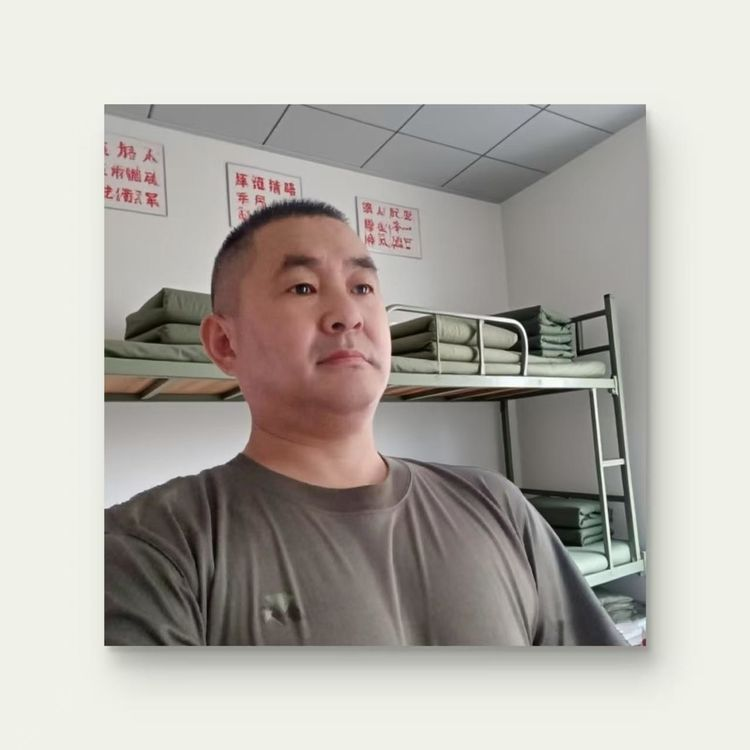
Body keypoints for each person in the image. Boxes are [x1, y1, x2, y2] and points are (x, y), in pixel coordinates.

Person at [105, 199, 627, 646]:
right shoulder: (152, 546)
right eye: (303, 288)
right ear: (224, 342)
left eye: (362, 288)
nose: (348, 315)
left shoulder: (499, 506)